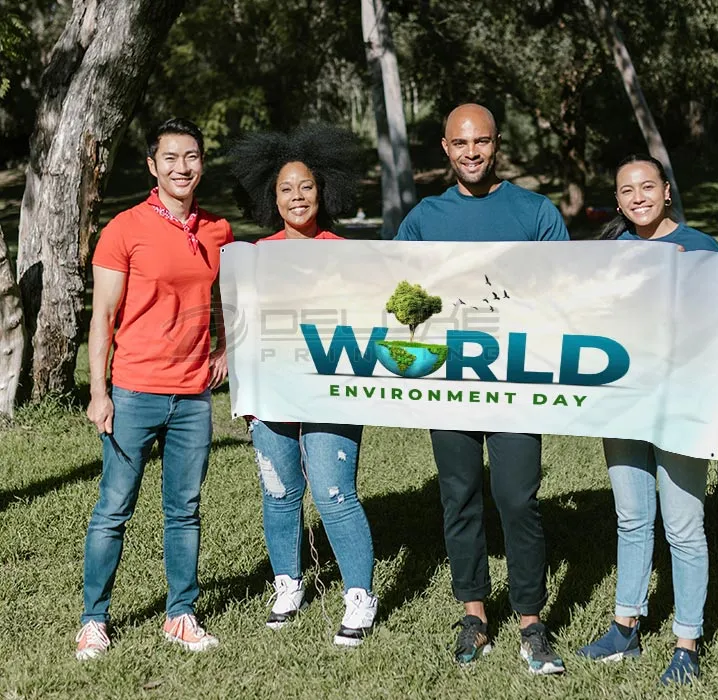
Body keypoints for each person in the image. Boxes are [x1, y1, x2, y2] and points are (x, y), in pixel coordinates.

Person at [395, 103, 568, 674]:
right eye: (461, 144)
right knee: (460, 495)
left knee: (518, 498)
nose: (472, 153)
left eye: (483, 143)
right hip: (449, 385)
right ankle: (474, 613)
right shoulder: (424, 218)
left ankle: (530, 619)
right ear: (445, 148)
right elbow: (397, 297)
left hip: (517, 384)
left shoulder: (535, 212)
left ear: (497, 145)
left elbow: (567, 293)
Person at [577, 154, 718, 685]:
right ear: (618, 201)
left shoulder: (704, 249)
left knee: (683, 526)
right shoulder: (613, 251)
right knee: (631, 517)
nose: (638, 197)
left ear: (666, 191)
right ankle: (624, 628)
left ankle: (686, 644)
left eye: (647, 187)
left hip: (680, 404)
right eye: (626, 191)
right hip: (625, 403)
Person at [76, 118, 233, 660]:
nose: (182, 167)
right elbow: (102, 316)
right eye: (170, 158)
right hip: (135, 391)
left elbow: (231, 303)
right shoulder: (124, 228)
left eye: (191, 157)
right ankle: (93, 620)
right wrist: (99, 391)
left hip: (193, 396)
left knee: (184, 509)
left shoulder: (219, 231)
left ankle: (180, 615)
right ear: (152, 166)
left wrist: (226, 350)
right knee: (114, 507)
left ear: (201, 162)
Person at [228, 125, 377, 646]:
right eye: (286, 189)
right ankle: (287, 583)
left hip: (331, 391)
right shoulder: (252, 255)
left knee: (335, 493)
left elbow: (368, 323)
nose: (297, 196)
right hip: (271, 393)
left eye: (306, 187)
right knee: (279, 491)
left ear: (323, 191)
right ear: (272, 197)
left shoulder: (346, 252)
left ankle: (359, 595)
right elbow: (240, 325)